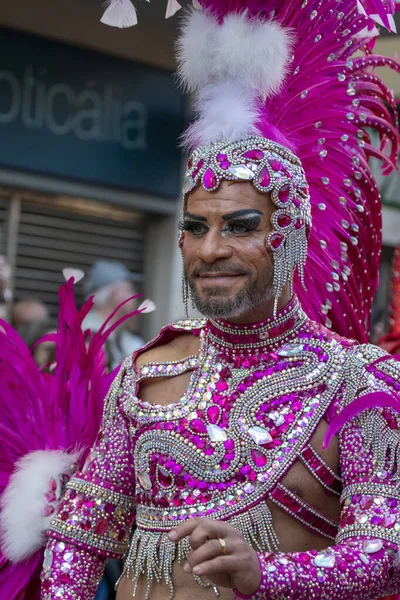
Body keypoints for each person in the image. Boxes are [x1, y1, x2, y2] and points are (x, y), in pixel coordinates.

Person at [2, 1, 400, 599]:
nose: (210, 249)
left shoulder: (360, 382)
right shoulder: (146, 372)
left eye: (239, 226)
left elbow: (384, 554)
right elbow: (83, 536)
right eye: (195, 226)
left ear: (287, 234)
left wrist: (264, 574)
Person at [83, 260, 145, 370]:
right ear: (113, 294)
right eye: (129, 289)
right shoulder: (85, 335)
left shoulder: (130, 341)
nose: (134, 295)